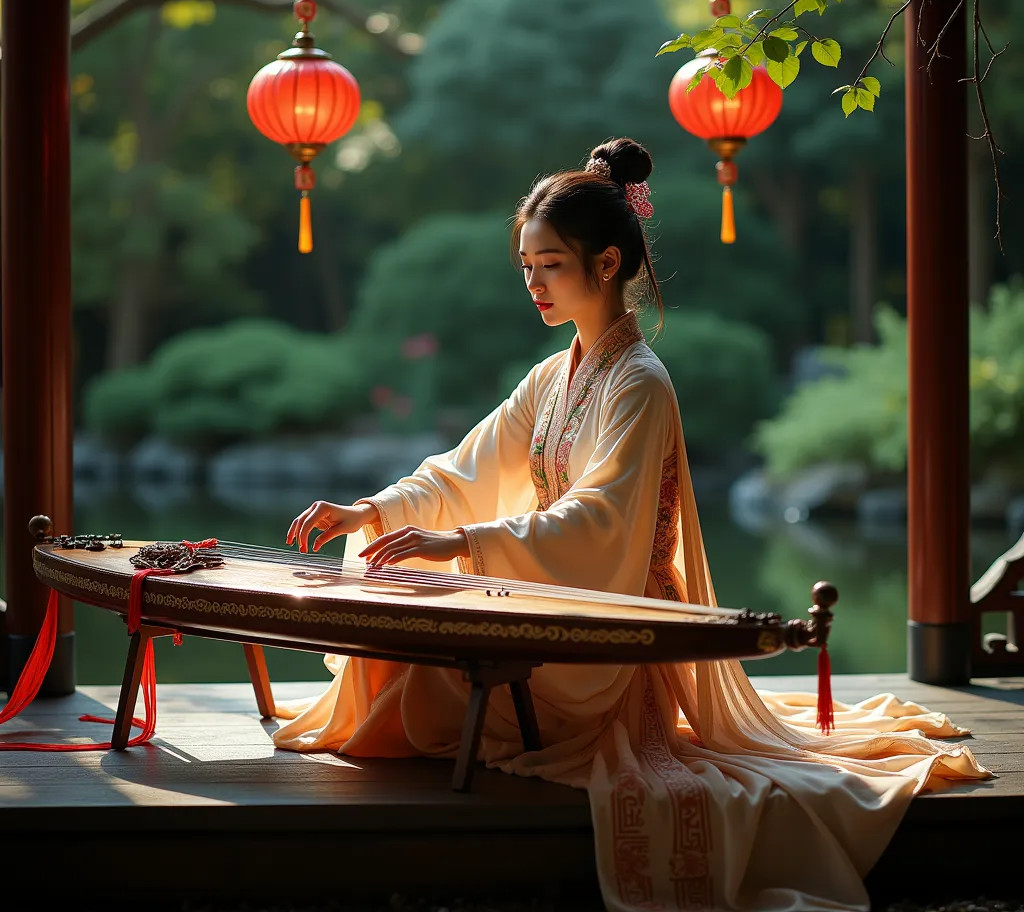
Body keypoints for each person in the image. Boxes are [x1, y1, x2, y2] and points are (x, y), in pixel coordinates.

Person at [275, 138, 987, 912]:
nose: (533, 284)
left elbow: (598, 518)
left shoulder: (640, 383)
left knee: (418, 665)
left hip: (609, 623)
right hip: (555, 594)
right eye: (525, 266)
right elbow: (465, 467)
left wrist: (465, 543)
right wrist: (374, 509)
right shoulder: (554, 374)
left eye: (550, 264)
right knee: (402, 632)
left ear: (607, 264)